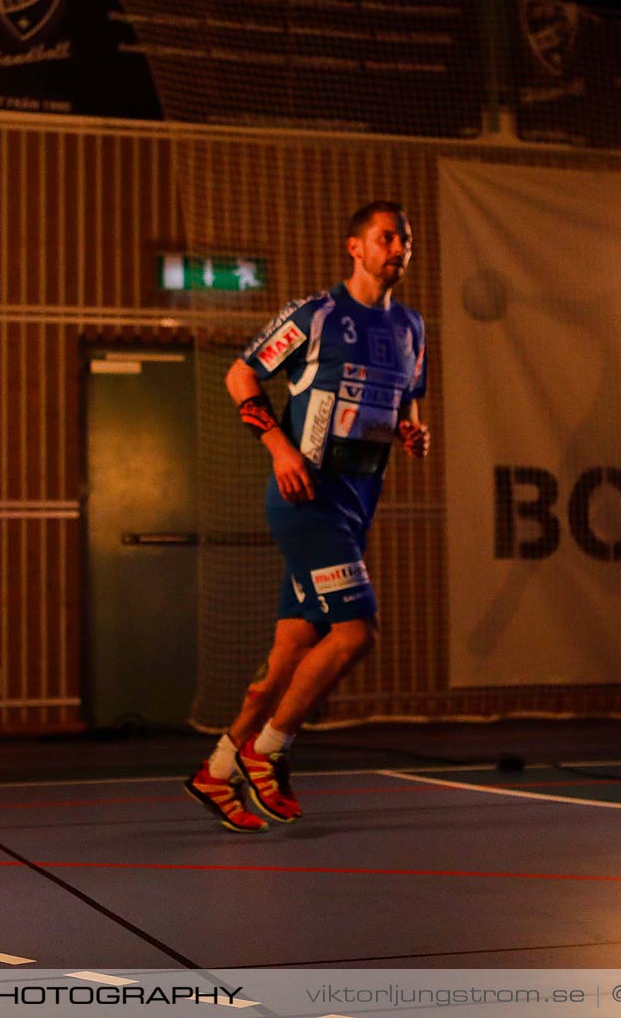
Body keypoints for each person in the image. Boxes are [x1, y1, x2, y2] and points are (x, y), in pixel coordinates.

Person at [185, 201, 431, 831]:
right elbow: (241, 376)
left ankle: (216, 770)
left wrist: (412, 430)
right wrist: (279, 446)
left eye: (405, 239)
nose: (397, 248)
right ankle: (268, 753)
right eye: (385, 238)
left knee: (292, 648)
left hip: (356, 503)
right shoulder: (316, 314)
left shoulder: (411, 327)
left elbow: (405, 404)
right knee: (356, 634)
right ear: (355, 247)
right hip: (306, 498)